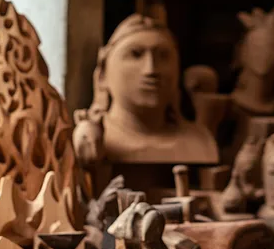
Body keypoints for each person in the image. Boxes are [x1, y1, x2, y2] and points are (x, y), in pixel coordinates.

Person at [90, 14, 219, 164]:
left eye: (163, 56)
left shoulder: (200, 143)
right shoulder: (93, 141)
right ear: (102, 76)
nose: (150, 70)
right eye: (135, 54)